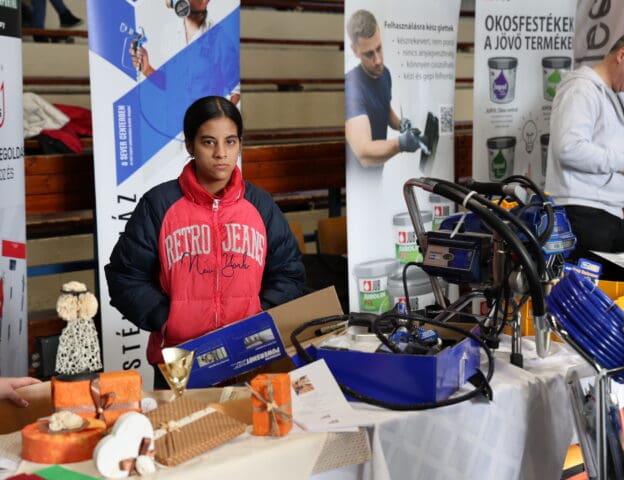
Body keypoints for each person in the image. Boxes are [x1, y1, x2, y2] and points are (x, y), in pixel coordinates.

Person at [105, 96, 305, 388]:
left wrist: (258, 316)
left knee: (253, 417)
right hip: (179, 356)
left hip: (250, 352)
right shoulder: (159, 204)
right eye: (208, 142)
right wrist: (168, 320)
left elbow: (290, 272)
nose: (221, 153)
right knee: (181, 420)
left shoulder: (260, 205)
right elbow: (125, 275)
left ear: (240, 144)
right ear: (190, 145)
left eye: (230, 142)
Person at [545, 30, 624, 269]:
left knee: (612, 291)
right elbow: (569, 148)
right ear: (622, 54)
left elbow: (616, 149)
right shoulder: (581, 89)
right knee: (585, 291)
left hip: (611, 215)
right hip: (583, 215)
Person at [345, 9, 420, 167]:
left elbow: (385, 109)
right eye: (369, 54)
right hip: (358, 178)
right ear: (355, 51)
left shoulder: (385, 74)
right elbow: (364, 154)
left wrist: (400, 124)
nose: (378, 60)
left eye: (379, 48)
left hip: (378, 173)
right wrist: (401, 143)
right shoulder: (351, 86)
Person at [130, 0, 240, 104]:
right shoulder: (169, 32)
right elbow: (170, 84)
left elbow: (236, 90)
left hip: (204, 116)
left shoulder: (219, 39)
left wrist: (221, 115)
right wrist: (147, 69)